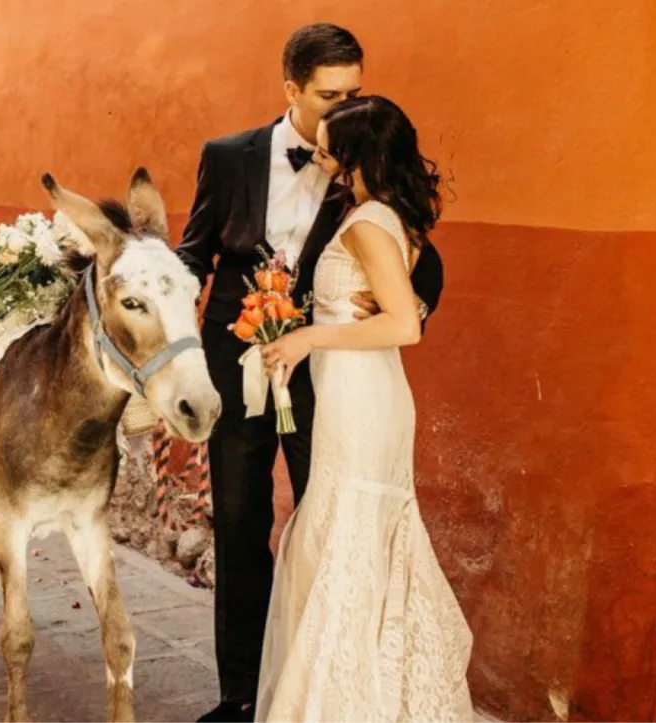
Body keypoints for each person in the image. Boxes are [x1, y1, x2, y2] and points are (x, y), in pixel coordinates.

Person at [174, 23, 444, 722]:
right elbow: (194, 254)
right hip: (236, 362)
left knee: (326, 524)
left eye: (354, 91)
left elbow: (421, 258)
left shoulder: (360, 162)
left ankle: (321, 684)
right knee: (239, 523)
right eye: (329, 95)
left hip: (330, 374)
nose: (343, 106)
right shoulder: (227, 157)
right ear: (290, 87)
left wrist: (408, 300)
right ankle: (242, 694)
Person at [255, 95, 473, 722]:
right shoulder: (379, 214)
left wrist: (305, 337)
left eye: (329, 146)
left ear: (358, 156)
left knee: (345, 533)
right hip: (356, 389)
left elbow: (404, 325)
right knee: (341, 534)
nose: (319, 154)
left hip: (361, 396)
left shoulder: (369, 221)